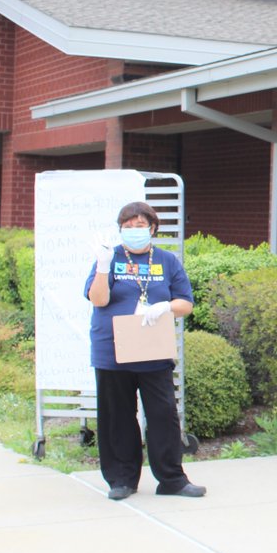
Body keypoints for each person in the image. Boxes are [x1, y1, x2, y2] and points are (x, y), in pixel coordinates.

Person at [86, 202, 205, 501]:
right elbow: (98, 300)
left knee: (163, 413)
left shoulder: (167, 261)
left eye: (140, 225)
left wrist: (165, 306)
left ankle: (172, 479)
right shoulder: (110, 257)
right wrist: (102, 267)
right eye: (128, 225)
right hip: (112, 348)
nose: (134, 231)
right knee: (118, 415)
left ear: (152, 227)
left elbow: (186, 304)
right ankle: (122, 479)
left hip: (153, 348)